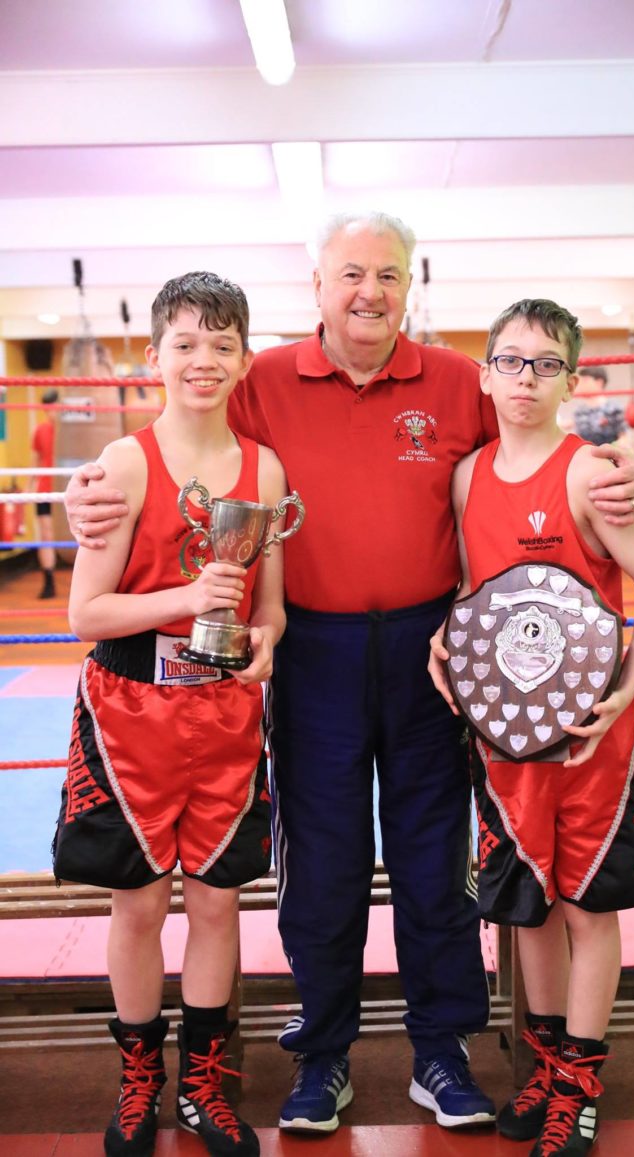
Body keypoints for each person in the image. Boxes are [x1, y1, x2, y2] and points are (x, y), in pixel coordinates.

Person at [63, 212, 634, 1136]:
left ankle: (442, 1050)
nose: (368, 290)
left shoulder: (461, 380)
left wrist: (629, 474)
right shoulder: (260, 379)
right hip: (312, 648)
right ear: (318, 284)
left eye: (386, 273)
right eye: (350, 273)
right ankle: (323, 1051)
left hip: (431, 645)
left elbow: (543, 446)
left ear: (409, 284)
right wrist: (86, 488)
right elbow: (182, 430)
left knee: (434, 854)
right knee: (324, 856)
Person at [428, 298, 634, 1156]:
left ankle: (579, 1082)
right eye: (509, 360)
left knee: (585, 908)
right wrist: (445, 639)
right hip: (502, 738)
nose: (524, 377)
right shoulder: (466, 476)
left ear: (571, 378)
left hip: (588, 737)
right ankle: (539, 1066)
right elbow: (475, 598)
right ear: (486, 373)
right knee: (529, 909)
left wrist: (624, 689)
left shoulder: (585, 474)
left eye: (544, 363)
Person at [53, 271, 290, 1157]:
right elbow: (86, 614)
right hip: (130, 715)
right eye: (185, 343)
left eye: (221, 343)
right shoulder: (123, 462)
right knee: (140, 905)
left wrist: (264, 637)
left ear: (243, 358)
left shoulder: (263, 466)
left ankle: (203, 1083)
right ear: (153, 356)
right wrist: (187, 596)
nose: (203, 359)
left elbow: (271, 607)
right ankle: (138, 1078)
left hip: (225, 713)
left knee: (219, 906)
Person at [31, 388, 59, 598]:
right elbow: (35, 463)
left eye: (55, 405)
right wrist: (28, 490)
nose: (52, 411)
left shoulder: (72, 431)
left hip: (69, 489)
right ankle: (48, 581)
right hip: (45, 490)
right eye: (48, 407)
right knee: (47, 534)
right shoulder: (40, 431)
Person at [558, 365, 629, 448]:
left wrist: (615, 448)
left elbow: (623, 437)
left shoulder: (613, 408)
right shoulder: (580, 411)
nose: (580, 385)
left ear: (599, 382)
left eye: (585, 381)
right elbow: (573, 431)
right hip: (585, 456)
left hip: (610, 456)